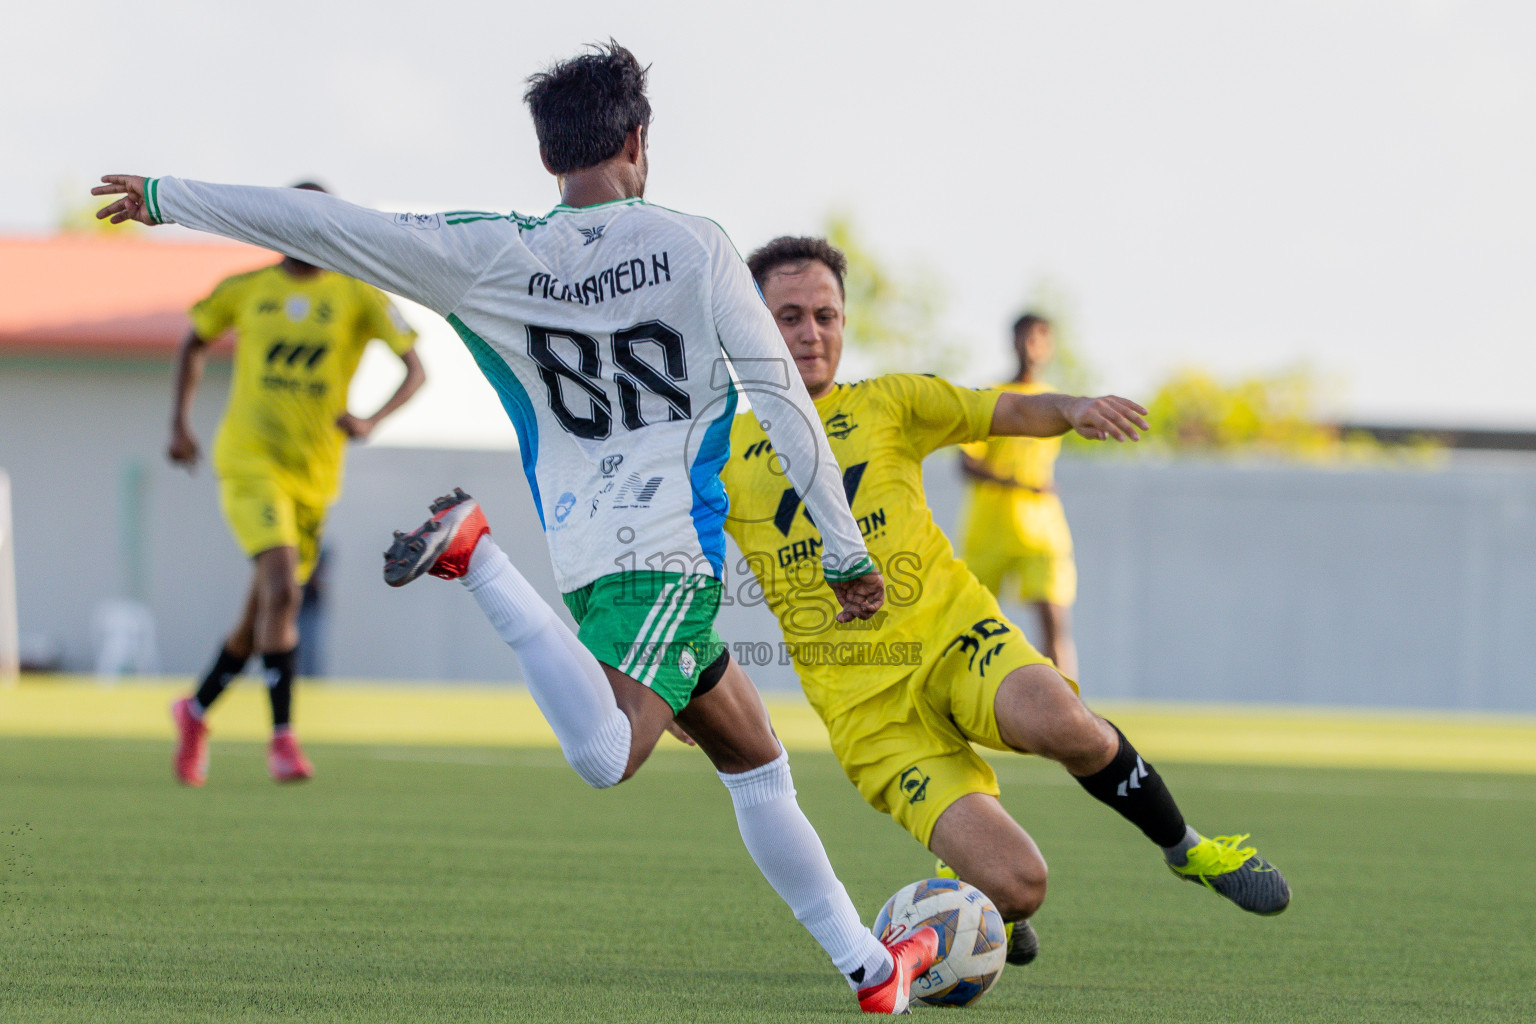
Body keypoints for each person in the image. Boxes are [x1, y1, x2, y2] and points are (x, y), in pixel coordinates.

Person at [96, 43, 935, 1014]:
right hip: (669, 559)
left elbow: (331, 225)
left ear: (550, 158)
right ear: (638, 139)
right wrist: (844, 550)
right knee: (608, 755)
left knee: (758, 764)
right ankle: (476, 554)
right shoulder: (698, 246)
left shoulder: (488, 250)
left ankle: (873, 970)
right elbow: (783, 402)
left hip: (593, 560)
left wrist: (169, 196)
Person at [717, 237, 1290, 968]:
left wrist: (1075, 405)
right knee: (1022, 885)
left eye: (825, 314)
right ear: (753, 327)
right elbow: (688, 572)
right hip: (871, 714)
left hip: (957, 638)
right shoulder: (718, 449)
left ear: (843, 321)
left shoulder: (891, 402)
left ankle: (1189, 849)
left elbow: (1011, 411)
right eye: (788, 316)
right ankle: (989, 901)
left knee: (1065, 721)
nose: (809, 333)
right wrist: (683, 685)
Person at [164, 182, 425, 786]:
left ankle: (197, 709)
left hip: (314, 475)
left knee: (263, 613)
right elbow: (194, 341)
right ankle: (282, 739)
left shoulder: (358, 294)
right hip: (249, 462)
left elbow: (415, 367)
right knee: (283, 584)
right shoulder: (247, 289)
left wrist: (371, 419)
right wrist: (180, 423)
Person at [959, 313, 1078, 678]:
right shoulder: (990, 395)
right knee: (970, 624)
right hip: (990, 529)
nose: (1032, 346)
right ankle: (964, 699)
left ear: (1051, 346)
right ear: (1012, 341)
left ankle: (1070, 710)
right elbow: (966, 464)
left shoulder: (1057, 400)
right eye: (1026, 337)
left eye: (1040, 338)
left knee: (1054, 621)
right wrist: (1020, 485)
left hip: (1042, 530)